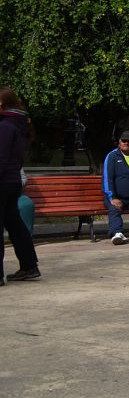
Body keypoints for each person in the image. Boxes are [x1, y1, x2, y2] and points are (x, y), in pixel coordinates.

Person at [1, 88, 40, 283]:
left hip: (3, 181)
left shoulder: (6, 126)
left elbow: (2, 157)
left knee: (13, 225)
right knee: (15, 225)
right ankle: (29, 266)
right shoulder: (17, 123)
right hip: (12, 181)